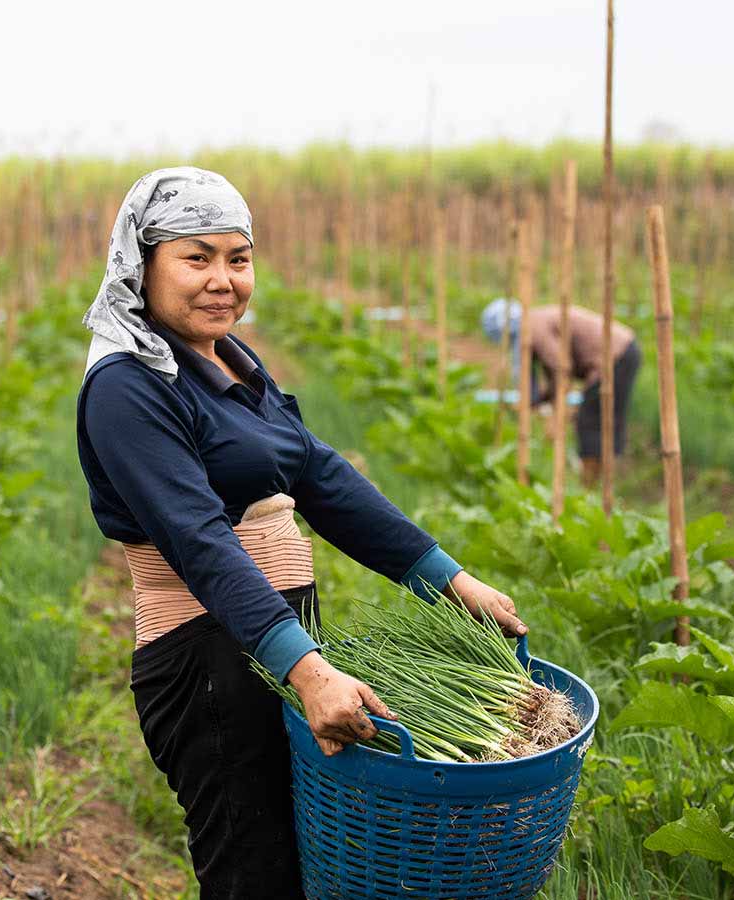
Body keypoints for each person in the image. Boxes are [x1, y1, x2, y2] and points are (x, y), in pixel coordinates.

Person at [76, 167, 527, 899]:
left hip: (265, 645)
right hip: (207, 659)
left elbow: (320, 474)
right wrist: (308, 671)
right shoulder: (129, 386)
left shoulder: (229, 362)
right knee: (252, 871)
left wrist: (449, 579)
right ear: (142, 263)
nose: (223, 279)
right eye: (197, 258)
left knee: (303, 864)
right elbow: (200, 543)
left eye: (238, 257)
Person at [482, 298, 641, 486]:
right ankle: (601, 482)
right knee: (602, 420)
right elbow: (555, 374)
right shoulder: (535, 321)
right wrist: (544, 398)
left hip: (614, 356)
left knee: (591, 422)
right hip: (622, 350)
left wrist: (556, 416)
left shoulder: (533, 328)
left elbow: (562, 368)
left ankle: (592, 486)